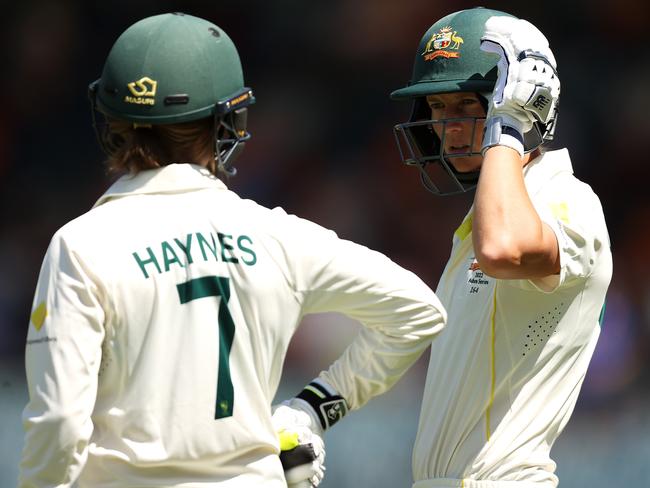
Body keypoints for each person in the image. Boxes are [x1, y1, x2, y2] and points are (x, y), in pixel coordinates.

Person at [19, 12, 447, 488]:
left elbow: (59, 423)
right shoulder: (277, 236)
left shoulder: (81, 245)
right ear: (229, 121)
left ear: (114, 121)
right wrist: (309, 411)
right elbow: (419, 310)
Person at [390, 7, 612, 488]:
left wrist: (508, 124)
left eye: (467, 107)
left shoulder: (567, 198)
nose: (445, 127)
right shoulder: (480, 222)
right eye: (437, 108)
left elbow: (504, 250)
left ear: (524, 103)